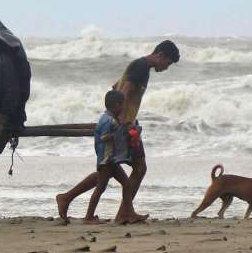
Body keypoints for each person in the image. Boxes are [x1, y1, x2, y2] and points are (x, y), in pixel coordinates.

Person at [56, 39, 180, 224]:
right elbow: (123, 92)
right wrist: (123, 122)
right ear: (160, 55)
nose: (167, 67)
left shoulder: (141, 67)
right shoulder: (140, 67)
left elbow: (116, 87)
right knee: (137, 168)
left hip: (123, 123)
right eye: (168, 63)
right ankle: (123, 213)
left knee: (109, 171)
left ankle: (68, 198)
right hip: (124, 126)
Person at [74, 90, 132, 225]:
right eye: (122, 105)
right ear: (116, 105)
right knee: (100, 187)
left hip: (112, 160)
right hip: (106, 160)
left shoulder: (111, 118)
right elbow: (103, 137)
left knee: (127, 183)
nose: (123, 108)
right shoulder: (107, 120)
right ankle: (88, 217)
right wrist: (118, 134)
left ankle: (128, 213)